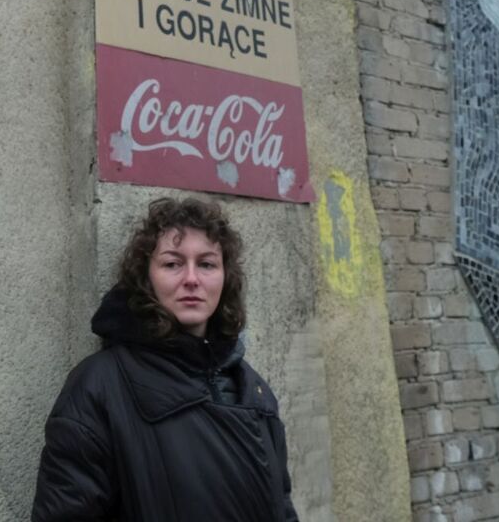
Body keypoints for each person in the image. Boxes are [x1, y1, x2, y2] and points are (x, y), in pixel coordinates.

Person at [32, 197, 300, 522]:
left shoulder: (255, 392)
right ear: (147, 278)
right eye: (172, 263)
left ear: (225, 277)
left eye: (207, 264)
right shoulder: (100, 387)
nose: (191, 279)